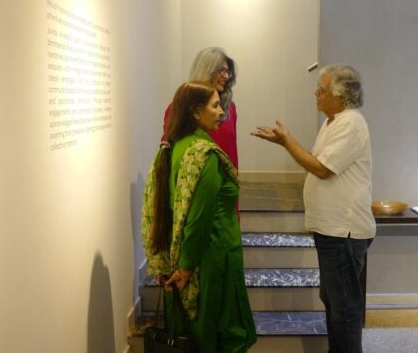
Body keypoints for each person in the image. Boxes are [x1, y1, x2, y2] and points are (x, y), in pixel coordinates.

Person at [251, 64, 375, 353]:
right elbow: (319, 164)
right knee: (333, 301)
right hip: (331, 229)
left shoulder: (350, 123)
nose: (315, 93)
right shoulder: (333, 121)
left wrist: (286, 141)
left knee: (344, 307)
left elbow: (321, 169)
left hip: (344, 231)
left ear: (341, 96)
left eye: (322, 89)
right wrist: (285, 142)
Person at [142, 81, 256, 353]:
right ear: (195, 112)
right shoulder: (205, 155)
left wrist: (174, 264)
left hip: (180, 254)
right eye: (215, 106)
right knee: (216, 332)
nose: (222, 112)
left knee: (189, 333)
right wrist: (186, 268)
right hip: (211, 256)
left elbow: (161, 209)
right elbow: (199, 219)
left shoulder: (171, 148)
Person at [161, 47, 239, 170]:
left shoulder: (230, 108)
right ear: (207, 70)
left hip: (225, 177)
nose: (226, 76)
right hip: (193, 177)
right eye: (221, 70)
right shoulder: (179, 107)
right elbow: (169, 150)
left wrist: (233, 176)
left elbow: (232, 149)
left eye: (228, 72)